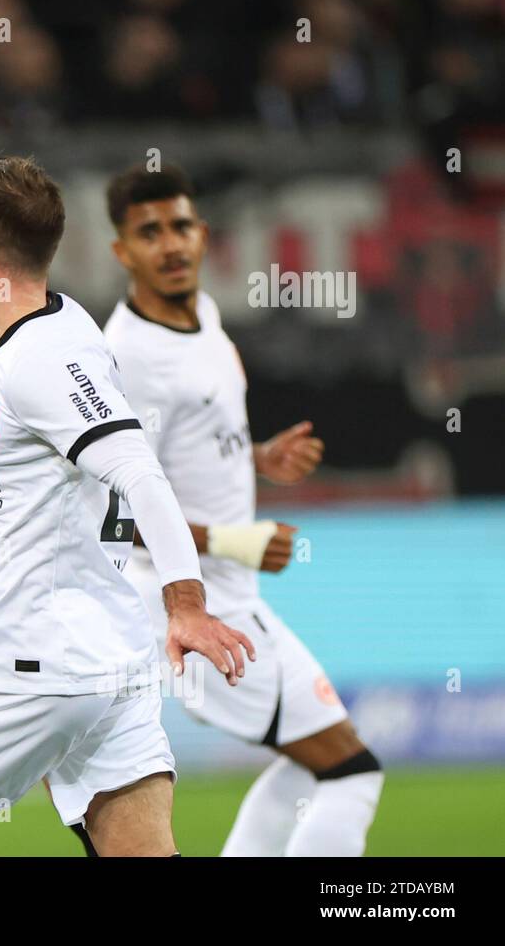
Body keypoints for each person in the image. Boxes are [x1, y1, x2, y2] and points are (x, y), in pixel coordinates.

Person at [0, 156, 255, 857]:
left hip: (29, 667)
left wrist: (188, 605)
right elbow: (74, 483)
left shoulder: (36, 360)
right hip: (114, 664)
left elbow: (141, 476)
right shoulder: (67, 325)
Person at [100, 162, 382, 856]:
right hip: (192, 607)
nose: (171, 244)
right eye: (149, 232)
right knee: (350, 771)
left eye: (181, 226)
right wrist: (235, 539)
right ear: (121, 251)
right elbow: (112, 513)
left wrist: (254, 457)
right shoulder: (128, 357)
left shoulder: (204, 317)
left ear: (203, 234)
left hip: (228, 597)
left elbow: (184, 451)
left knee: (310, 765)